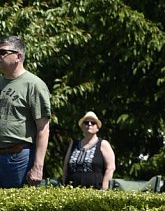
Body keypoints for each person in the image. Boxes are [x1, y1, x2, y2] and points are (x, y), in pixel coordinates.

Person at [0, 35, 51, 188]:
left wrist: (38, 166)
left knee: (11, 209)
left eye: (2, 52)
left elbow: (43, 128)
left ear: (18, 56)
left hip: (17, 158)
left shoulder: (34, 85)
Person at [62, 111, 116, 190]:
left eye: (93, 123)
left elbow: (110, 167)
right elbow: (66, 167)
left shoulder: (103, 144)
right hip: (71, 192)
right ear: (81, 126)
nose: (89, 124)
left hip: (95, 193)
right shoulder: (73, 144)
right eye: (86, 122)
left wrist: (104, 189)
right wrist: (63, 185)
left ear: (97, 128)